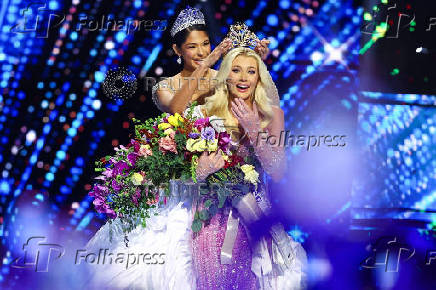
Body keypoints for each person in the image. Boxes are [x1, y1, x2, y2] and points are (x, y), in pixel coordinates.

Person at [189, 31, 307, 288]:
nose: (243, 78)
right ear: (226, 75)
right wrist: (202, 168)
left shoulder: (272, 114)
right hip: (210, 215)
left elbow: (277, 171)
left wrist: (254, 131)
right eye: (236, 70)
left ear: (259, 77)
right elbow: (182, 172)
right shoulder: (204, 111)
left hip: (253, 215)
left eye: (251, 71)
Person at [152, 6, 270, 114]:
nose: (201, 52)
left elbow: (251, 102)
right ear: (177, 50)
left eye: (205, 44)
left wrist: (256, 59)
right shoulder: (165, 87)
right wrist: (204, 66)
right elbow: (176, 110)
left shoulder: (225, 79)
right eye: (192, 46)